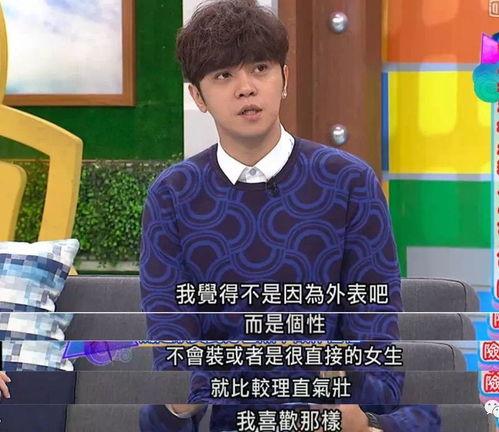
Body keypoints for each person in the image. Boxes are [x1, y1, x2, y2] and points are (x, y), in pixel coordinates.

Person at [139, 1, 441, 431]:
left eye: (260, 69)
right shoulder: (173, 195)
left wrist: (359, 415)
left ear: (284, 78)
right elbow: (173, 358)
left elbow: (375, 339)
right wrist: (177, 402)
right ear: (198, 97)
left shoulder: (348, 182)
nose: (246, 88)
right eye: (224, 75)